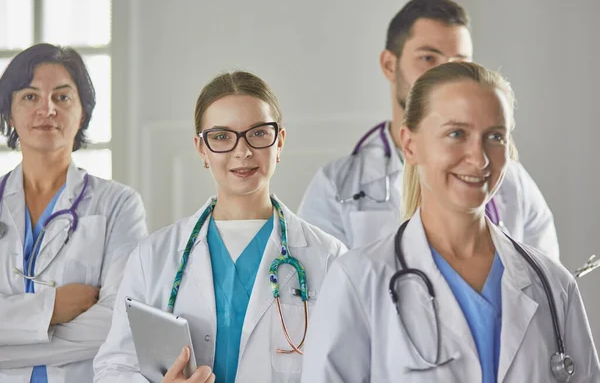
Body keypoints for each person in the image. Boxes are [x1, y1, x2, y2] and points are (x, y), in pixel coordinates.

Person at [301, 62, 599, 382]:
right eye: (456, 134)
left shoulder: (554, 285)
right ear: (410, 144)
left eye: (495, 136)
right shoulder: (358, 280)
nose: (479, 158)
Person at [93, 71, 348, 383]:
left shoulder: (328, 257)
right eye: (222, 137)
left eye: (257, 133)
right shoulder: (153, 256)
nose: (242, 151)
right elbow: (114, 368)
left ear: (279, 141)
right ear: (201, 149)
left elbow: (349, 368)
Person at [297, 0, 560, 259]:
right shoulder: (336, 185)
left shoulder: (511, 182)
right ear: (390, 65)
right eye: (428, 58)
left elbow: (546, 285)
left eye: (459, 63)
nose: (445, 75)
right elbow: (324, 290)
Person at [0, 44, 148, 382]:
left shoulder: (118, 205)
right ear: (9, 113)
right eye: (29, 96)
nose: (47, 109)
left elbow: (120, 320)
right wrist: (51, 307)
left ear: (82, 113)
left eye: (63, 97)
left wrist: (7, 344)